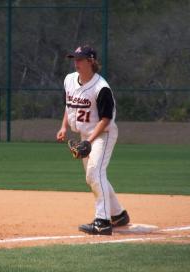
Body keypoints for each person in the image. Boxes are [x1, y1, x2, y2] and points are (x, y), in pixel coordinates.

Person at [56, 45, 130, 235]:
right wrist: (64, 126)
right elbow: (69, 105)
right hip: (85, 135)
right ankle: (118, 214)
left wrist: (89, 141)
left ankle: (103, 222)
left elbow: (106, 119)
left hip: (103, 134)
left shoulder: (101, 88)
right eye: (75, 59)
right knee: (95, 176)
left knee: (93, 174)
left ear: (91, 62)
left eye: (80, 59)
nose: (76, 63)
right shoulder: (69, 80)